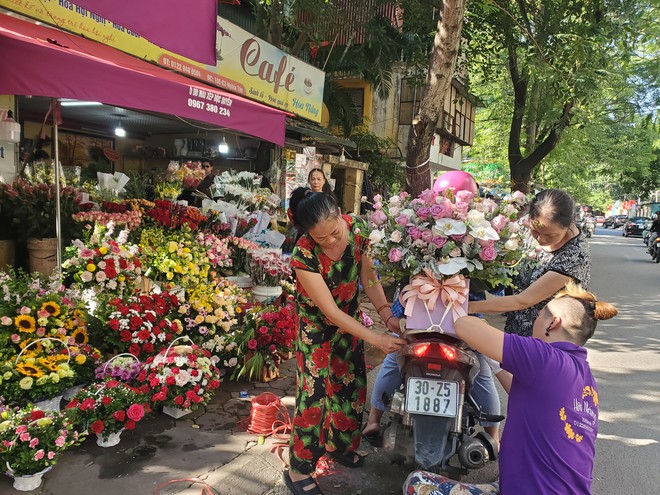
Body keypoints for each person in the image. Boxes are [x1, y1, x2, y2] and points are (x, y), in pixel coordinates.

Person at [404, 282, 618, 494]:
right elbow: (520, 389)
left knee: (418, 483)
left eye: (539, 315)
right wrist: (487, 354)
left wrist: (464, 305)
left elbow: (463, 326)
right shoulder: (585, 381)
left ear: (553, 323)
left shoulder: (545, 358)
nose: (535, 320)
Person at [284, 187, 407, 495]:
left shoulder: (360, 232)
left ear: (340, 216)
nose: (331, 243)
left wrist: (386, 314)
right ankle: (299, 470)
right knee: (314, 397)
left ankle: (339, 446)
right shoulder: (303, 254)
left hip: (349, 323)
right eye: (321, 239)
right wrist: (376, 338)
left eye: (335, 234)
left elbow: (369, 279)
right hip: (316, 329)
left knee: (351, 386)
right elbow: (330, 312)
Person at [469, 188, 592, 337]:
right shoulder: (524, 226)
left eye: (550, 235)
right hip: (516, 328)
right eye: (536, 231)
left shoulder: (575, 255)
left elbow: (524, 300)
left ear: (569, 225)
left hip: (551, 336)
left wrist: (467, 307)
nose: (540, 239)